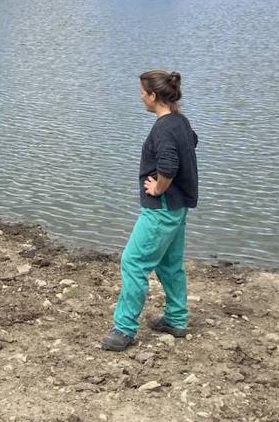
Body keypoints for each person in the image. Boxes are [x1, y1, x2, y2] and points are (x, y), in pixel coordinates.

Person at [101, 70, 199, 351]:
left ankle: (124, 329)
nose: (141, 96)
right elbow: (191, 142)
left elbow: (168, 164)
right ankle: (176, 320)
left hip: (162, 210)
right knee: (169, 265)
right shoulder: (179, 121)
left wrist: (159, 187)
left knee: (133, 262)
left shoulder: (164, 128)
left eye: (143, 92)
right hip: (178, 208)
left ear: (154, 96)